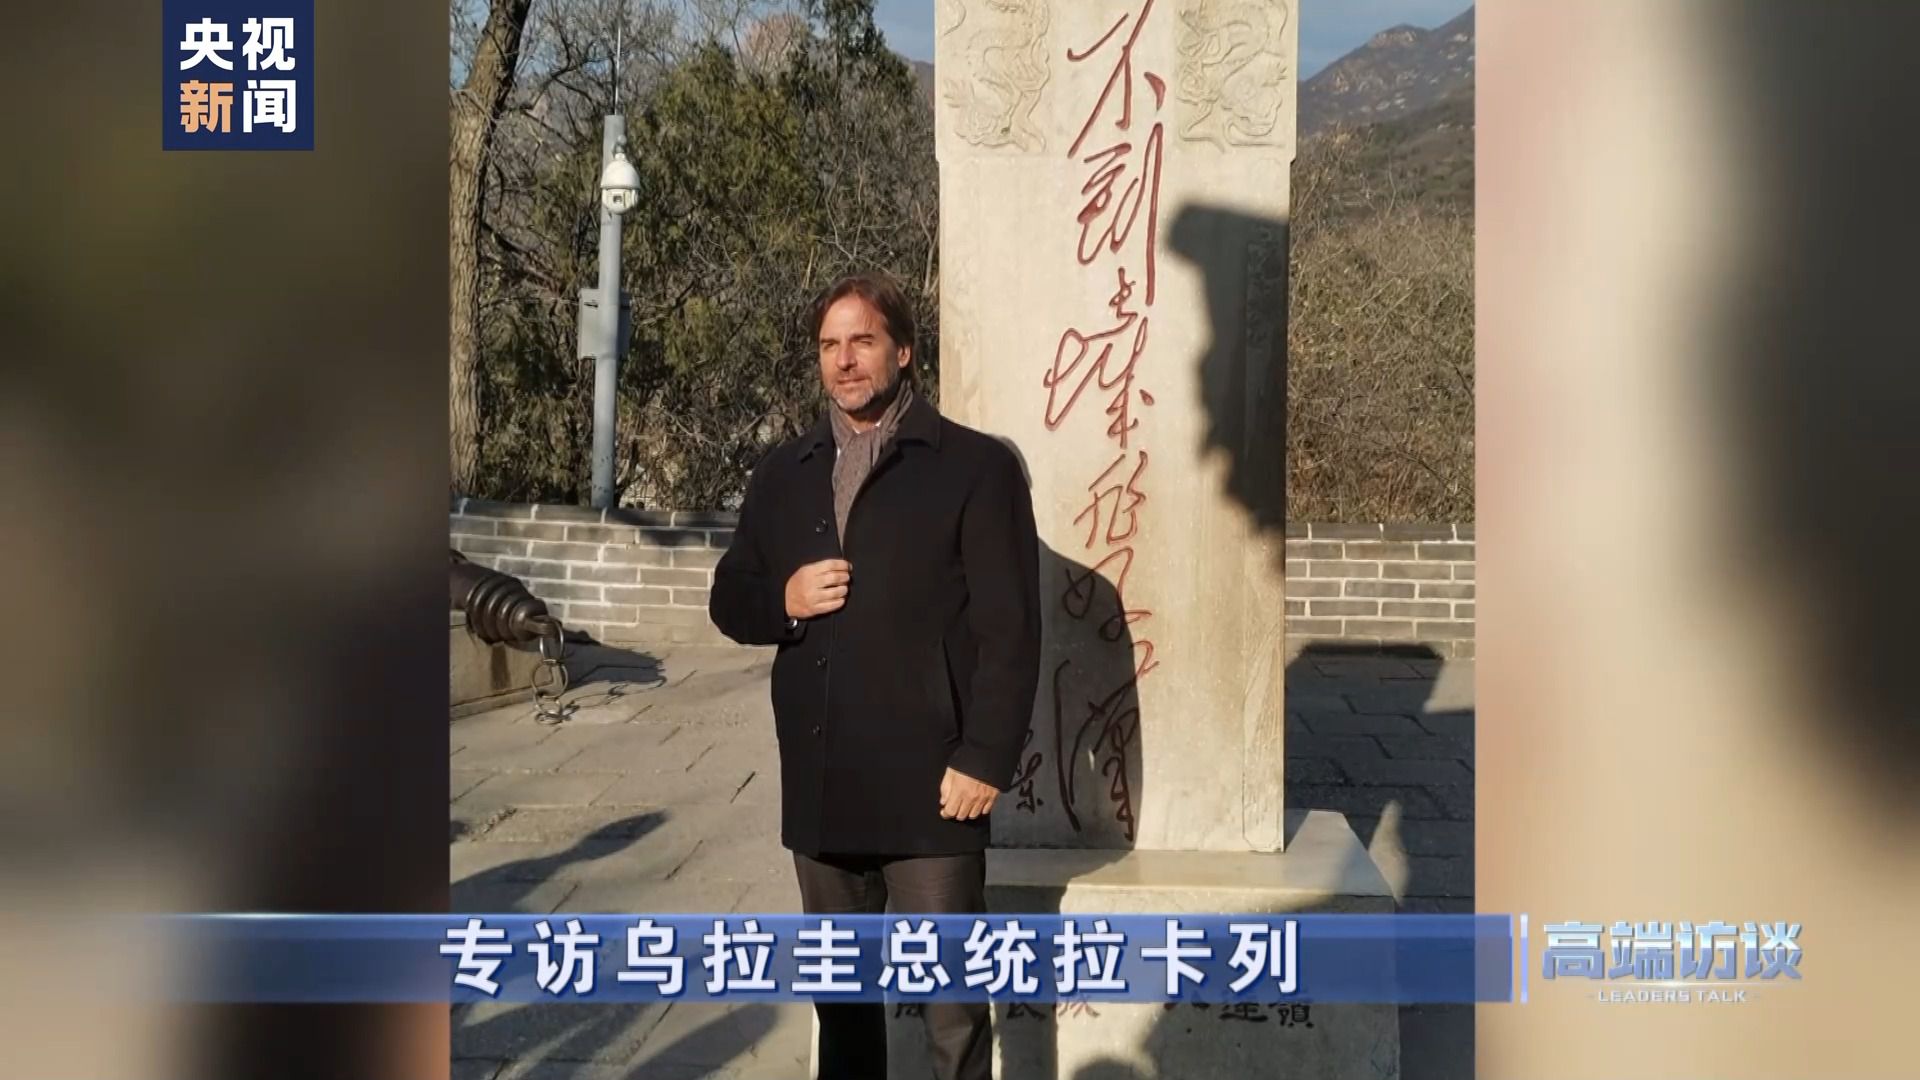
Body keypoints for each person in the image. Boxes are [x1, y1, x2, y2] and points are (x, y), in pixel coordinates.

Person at [709, 271, 1041, 1080]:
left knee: (952, 1014)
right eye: (830, 345)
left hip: (934, 790)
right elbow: (729, 597)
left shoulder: (974, 467)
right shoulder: (785, 471)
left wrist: (984, 758)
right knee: (843, 1008)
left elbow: (1011, 629)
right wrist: (783, 601)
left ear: (904, 351)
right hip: (825, 783)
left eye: (863, 340)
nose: (845, 360)